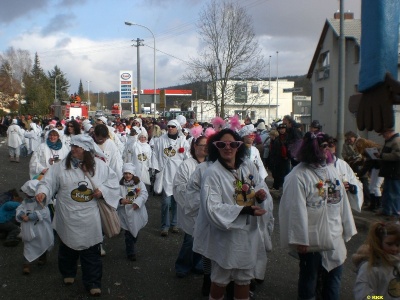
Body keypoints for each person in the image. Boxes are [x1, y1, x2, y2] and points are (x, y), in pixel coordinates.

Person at [35, 134, 120, 297]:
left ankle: (93, 282)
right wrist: (42, 193)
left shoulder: (100, 167)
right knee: (67, 249)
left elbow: (113, 183)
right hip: (67, 216)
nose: (73, 149)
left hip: (90, 218)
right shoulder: (60, 167)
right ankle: (68, 273)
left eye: (77, 147)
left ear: (86, 150)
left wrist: (102, 191)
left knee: (91, 253)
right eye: (72, 146)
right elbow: (47, 182)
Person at [193, 128, 271, 300]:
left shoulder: (248, 166)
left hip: (247, 235)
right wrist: (244, 210)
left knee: (243, 278)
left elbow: (260, 185)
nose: (228, 148)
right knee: (220, 279)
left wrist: (260, 194)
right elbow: (212, 208)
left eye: (233, 144)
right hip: (225, 237)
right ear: (216, 147)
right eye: (222, 144)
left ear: (239, 146)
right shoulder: (212, 173)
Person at [279, 131, 357, 300]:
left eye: (328, 146)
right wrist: (300, 239)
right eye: (323, 146)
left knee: (334, 276)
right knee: (310, 278)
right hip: (312, 239)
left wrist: (347, 226)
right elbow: (295, 209)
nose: (327, 150)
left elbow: (341, 201)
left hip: (335, 234)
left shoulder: (331, 170)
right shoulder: (298, 176)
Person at [173, 132, 208, 278]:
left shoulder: (212, 164)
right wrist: (194, 196)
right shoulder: (187, 165)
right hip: (191, 208)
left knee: (203, 238)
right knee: (190, 239)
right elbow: (178, 186)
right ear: (195, 146)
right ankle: (182, 265)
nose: (205, 148)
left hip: (207, 209)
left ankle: (197, 263)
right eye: (202, 145)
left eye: (208, 145)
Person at [151, 119, 190, 237]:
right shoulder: (161, 140)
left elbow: (187, 157)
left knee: (177, 202)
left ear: (177, 128)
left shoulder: (183, 141)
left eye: (173, 126)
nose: (170, 128)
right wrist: (156, 169)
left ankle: (175, 224)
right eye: (168, 126)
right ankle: (165, 226)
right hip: (166, 175)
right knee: (166, 202)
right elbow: (155, 155)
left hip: (179, 175)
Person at [353, 222, 400, 300]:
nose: (394, 249)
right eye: (389, 244)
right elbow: (365, 295)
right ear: (379, 243)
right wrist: (382, 298)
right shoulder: (370, 268)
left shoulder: (397, 262)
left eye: (398, 245)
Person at [16, 179, 54, 275]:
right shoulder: (26, 201)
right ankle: (26, 264)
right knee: (28, 245)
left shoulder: (43, 202)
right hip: (29, 229)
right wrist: (21, 214)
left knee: (42, 242)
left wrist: (31, 216)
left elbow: (45, 212)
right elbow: (20, 208)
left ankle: (42, 257)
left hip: (41, 229)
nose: (26, 195)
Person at [117, 163, 148, 262]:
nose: (127, 175)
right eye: (125, 173)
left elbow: (144, 194)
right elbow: (115, 194)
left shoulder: (139, 183)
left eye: (129, 173)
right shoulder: (120, 184)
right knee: (128, 233)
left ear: (133, 174)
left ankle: (132, 245)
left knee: (135, 231)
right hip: (124, 212)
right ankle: (131, 252)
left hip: (136, 211)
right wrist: (121, 200)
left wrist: (137, 202)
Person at [327, 136, 364, 212]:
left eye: (331, 146)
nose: (328, 149)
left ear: (335, 147)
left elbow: (356, 183)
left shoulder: (342, 165)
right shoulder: (314, 167)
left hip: (340, 206)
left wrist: (352, 187)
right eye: (325, 146)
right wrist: (338, 187)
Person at [354, 138, 384, 212]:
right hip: (377, 168)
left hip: (380, 168)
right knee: (372, 187)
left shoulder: (370, 152)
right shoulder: (373, 150)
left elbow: (367, 165)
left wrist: (358, 175)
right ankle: (374, 205)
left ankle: (378, 205)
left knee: (376, 186)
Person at [376, 128, 400, 219]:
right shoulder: (390, 141)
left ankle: (395, 213)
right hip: (390, 171)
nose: (383, 136)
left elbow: (398, 155)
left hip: (395, 171)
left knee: (394, 193)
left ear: (389, 132)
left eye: (384, 134)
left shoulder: (396, 141)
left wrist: (382, 156)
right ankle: (386, 210)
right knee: (387, 191)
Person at [269, 123, 290, 190]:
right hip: (277, 158)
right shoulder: (277, 138)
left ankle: (282, 186)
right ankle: (277, 186)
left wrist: (288, 156)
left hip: (285, 159)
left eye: (283, 129)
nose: (282, 130)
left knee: (284, 173)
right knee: (277, 173)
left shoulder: (288, 137)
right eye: (280, 129)